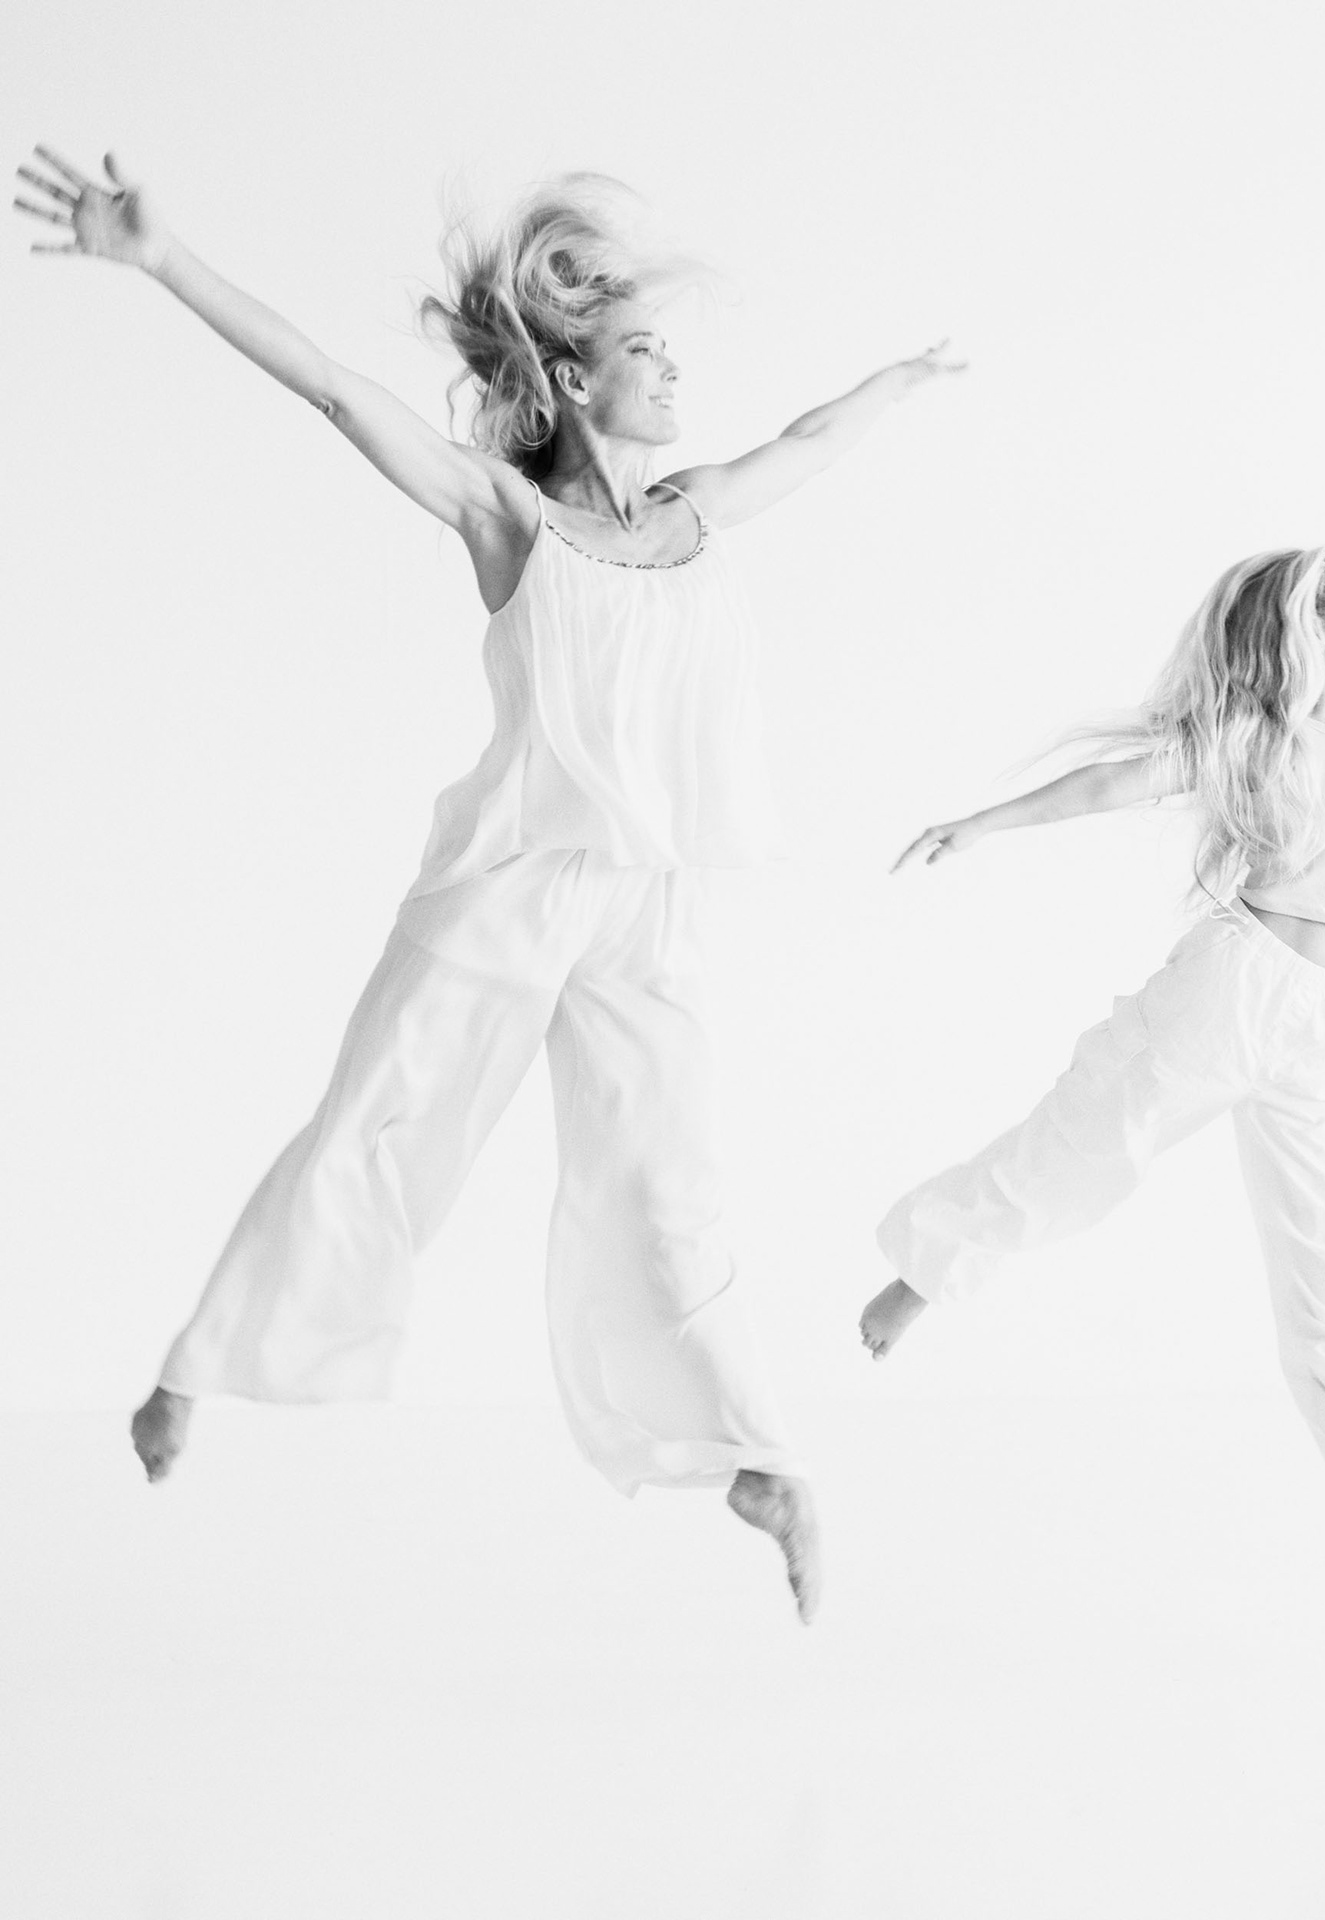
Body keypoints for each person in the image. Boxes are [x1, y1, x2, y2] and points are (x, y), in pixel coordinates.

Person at [15, 143, 964, 1624]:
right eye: (645, 353)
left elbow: (813, 435)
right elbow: (337, 392)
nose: (673, 371)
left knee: (671, 1188)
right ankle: (195, 1370)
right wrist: (159, 257)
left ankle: (757, 1461)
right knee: (378, 1120)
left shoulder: (700, 511)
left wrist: (904, 379)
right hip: (514, 882)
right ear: (573, 382)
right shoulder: (511, 522)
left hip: (650, 903)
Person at [862, 547, 1325, 1576]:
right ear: (1311, 628)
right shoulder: (1259, 735)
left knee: (1324, 1236)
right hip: (1236, 989)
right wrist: (981, 823)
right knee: (1091, 1142)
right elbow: (1113, 782)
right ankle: (926, 1269)